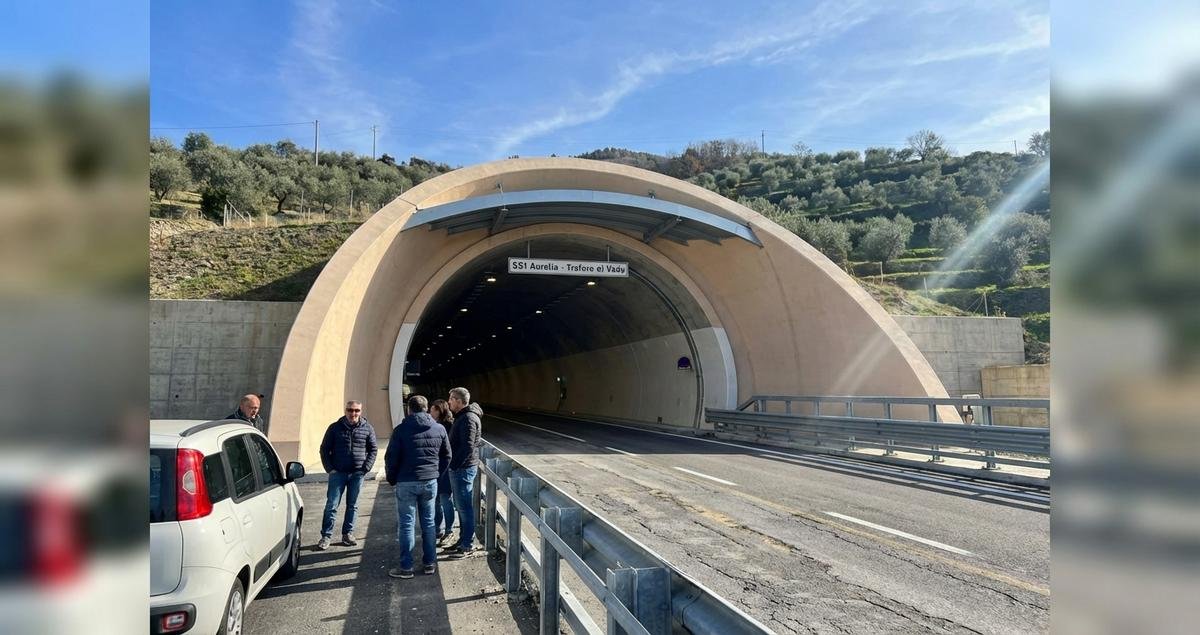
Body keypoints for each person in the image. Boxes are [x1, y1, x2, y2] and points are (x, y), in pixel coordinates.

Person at [384, 395, 450, 579]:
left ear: (409, 409)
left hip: (406, 482)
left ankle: (406, 567)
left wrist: (392, 478)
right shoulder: (439, 428)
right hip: (429, 482)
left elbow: (391, 458)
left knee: (407, 525)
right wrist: (436, 474)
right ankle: (429, 564)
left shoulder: (400, 430)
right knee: (429, 524)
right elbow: (447, 455)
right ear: (427, 408)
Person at [317, 400, 378, 550]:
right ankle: (326, 536)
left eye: (356, 410)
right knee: (331, 505)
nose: (353, 413)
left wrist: (366, 468)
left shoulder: (367, 428)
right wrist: (330, 468)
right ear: (345, 411)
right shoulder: (334, 428)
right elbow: (324, 449)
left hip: (357, 474)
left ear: (360, 411)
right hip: (338, 473)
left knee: (353, 505)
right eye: (350, 410)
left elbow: (373, 449)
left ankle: (348, 534)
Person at [443, 386, 483, 559]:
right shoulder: (463, 416)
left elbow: (467, 446)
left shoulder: (467, 418)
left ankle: (467, 544)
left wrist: (454, 465)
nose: (449, 402)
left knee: (465, 508)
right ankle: (462, 540)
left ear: (459, 401)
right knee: (461, 507)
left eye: (451, 399)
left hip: (463, 469)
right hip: (461, 468)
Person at [429, 399, 456, 543]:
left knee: (444, 500)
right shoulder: (437, 425)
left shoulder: (446, 427)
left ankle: (448, 530)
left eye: (432, 410)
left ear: (438, 411)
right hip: (438, 467)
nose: (430, 412)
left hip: (444, 468)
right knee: (438, 501)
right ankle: (438, 529)